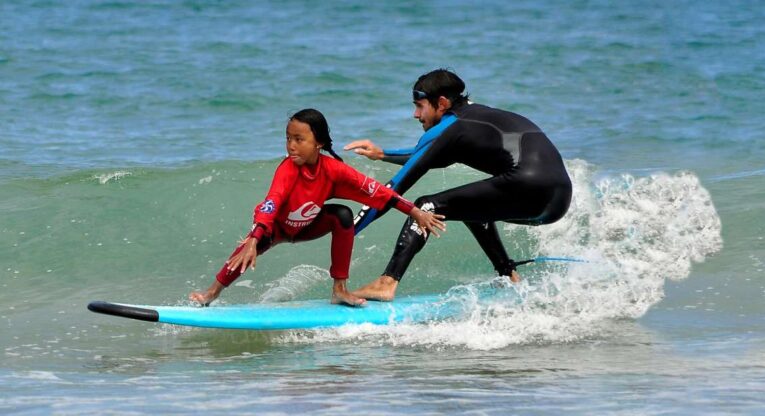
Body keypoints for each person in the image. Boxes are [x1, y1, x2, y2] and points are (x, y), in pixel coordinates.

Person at [344, 69, 572, 301]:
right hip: (558, 199)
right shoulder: (475, 116)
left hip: (528, 187)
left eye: (420, 105)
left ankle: (386, 282)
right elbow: (428, 154)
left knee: (425, 207)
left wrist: (348, 231)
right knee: (472, 208)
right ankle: (509, 276)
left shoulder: (450, 127)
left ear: (441, 103)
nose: (415, 114)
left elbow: (392, 192)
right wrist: (383, 154)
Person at [190, 108, 445, 307]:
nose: (291, 145)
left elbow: (376, 191)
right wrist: (255, 237)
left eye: (299, 139)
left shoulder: (332, 171)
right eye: (288, 138)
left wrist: (414, 211)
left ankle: (339, 290)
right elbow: (272, 201)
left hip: (309, 226)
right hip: (276, 228)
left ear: (318, 143)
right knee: (247, 248)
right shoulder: (288, 170)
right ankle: (212, 293)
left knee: (342, 215)